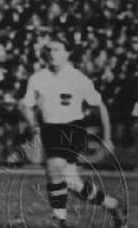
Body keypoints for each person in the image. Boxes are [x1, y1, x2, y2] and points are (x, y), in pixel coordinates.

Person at [19, 39, 127, 227]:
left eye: (57, 49)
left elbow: (100, 106)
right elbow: (25, 105)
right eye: (49, 50)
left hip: (72, 128)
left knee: (53, 166)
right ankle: (113, 204)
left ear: (67, 53)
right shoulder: (37, 78)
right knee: (73, 183)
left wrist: (107, 136)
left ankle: (59, 219)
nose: (52, 53)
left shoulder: (78, 78)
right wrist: (33, 124)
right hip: (49, 129)